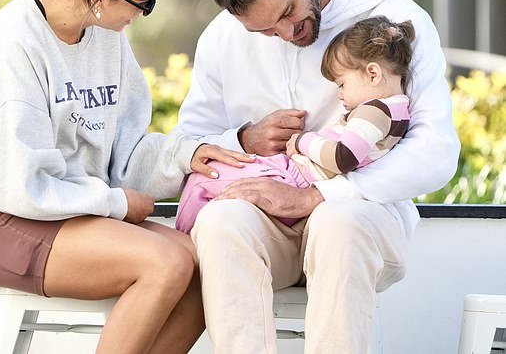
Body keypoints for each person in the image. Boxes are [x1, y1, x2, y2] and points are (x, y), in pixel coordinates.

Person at [0, 0, 252, 354]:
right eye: (144, 3)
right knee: (163, 262)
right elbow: (21, 187)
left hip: (69, 212)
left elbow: (126, 152)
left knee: (203, 266)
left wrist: (186, 155)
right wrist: (116, 203)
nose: (143, 15)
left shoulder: (105, 32)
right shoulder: (12, 46)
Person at [177, 0, 460, 353]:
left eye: (288, 12)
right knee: (219, 222)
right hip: (269, 229)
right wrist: (245, 138)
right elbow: (190, 141)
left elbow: (437, 151)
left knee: (337, 221)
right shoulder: (221, 36)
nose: (288, 34)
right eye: (267, 32)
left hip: (362, 219)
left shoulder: (398, 19)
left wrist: (320, 196)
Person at [176, 16, 415, 234]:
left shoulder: (373, 112)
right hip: (301, 178)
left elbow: (344, 156)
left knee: (202, 180)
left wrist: (302, 141)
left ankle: (186, 245)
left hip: (298, 180)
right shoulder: (398, 109)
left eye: (342, 84)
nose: (340, 96)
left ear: (373, 74)